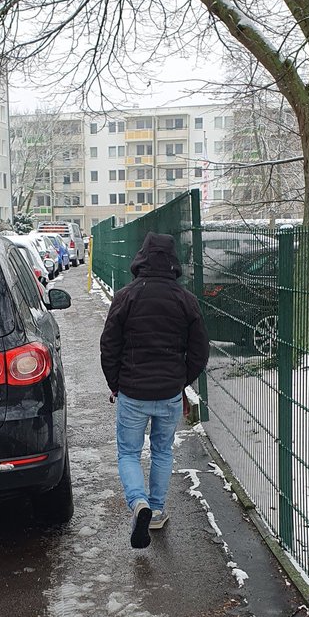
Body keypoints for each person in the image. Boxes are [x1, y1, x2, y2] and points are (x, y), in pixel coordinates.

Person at [100, 232, 209, 549]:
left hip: (133, 394)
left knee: (129, 454)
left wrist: (115, 384)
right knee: (162, 452)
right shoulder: (185, 300)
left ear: (142, 258)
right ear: (173, 261)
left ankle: (138, 504)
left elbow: (109, 345)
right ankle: (157, 510)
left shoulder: (125, 296)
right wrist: (181, 381)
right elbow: (199, 351)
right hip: (169, 395)